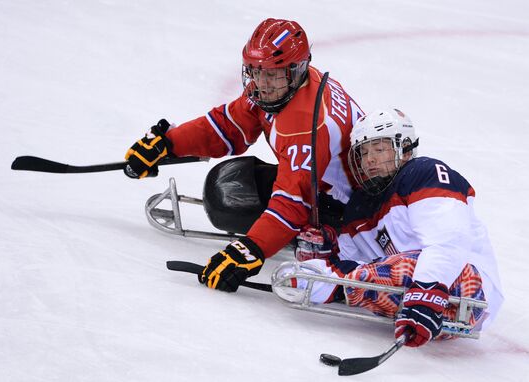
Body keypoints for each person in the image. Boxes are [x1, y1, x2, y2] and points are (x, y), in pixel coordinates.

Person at [124, 18, 363, 292]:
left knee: (230, 196)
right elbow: (229, 127)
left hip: (352, 215)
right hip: (329, 186)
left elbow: (293, 203)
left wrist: (250, 250)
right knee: (231, 182)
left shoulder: (306, 126)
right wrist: (167, 144)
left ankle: (330, 236)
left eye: (271, 74)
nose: (262, 82)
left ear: (297, 70)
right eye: (256, 71)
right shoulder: (291, 86)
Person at [284, 108, 503, 347]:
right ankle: (319, 280)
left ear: (406, 148)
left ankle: (325, 285)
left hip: (468, 287)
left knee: (406, 266)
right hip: (416, 294)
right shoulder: (359, 206)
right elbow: (357, 264)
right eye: (363, 153)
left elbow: (449, 240)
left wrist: (427, 290)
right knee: (347, 271)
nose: (370, 160)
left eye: (379, 149)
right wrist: (327, 252)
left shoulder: (425, 173)